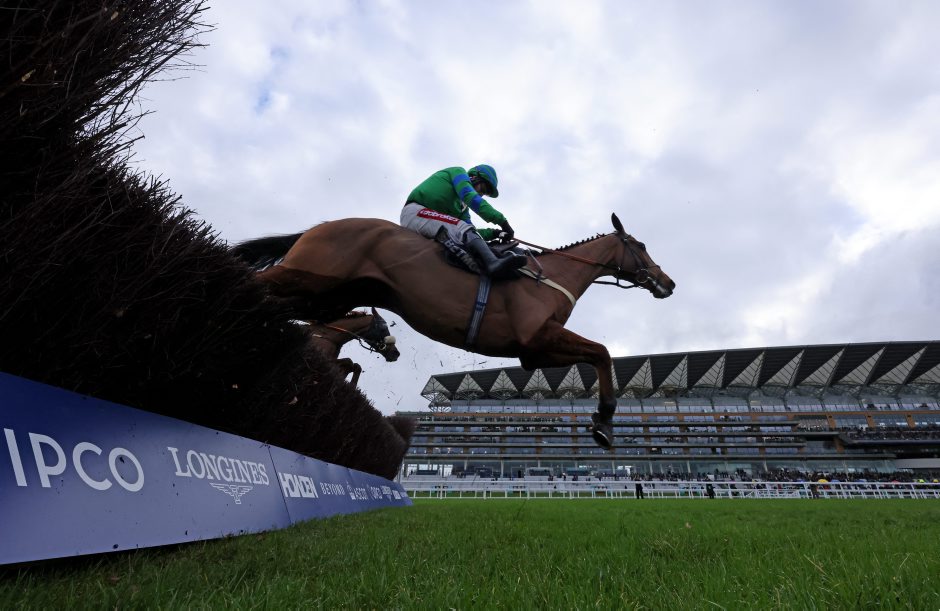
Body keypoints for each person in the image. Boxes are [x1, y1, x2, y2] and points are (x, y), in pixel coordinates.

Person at [401, 164, 526, 277]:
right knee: (461, 227)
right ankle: (492, 263)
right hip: (414, 212)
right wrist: (503, 222)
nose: (481, 194)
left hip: (429, 220)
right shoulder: (458, 172)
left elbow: (471, 233)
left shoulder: (462, 209)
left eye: (485, 193)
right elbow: (469, 196)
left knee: (466, 233)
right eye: (483, 188)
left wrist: (496, 233)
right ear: (474, 177)